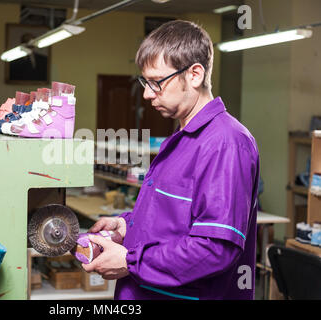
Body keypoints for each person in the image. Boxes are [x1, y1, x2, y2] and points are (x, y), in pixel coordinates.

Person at [82, 20, 260, 300]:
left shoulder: (226, 143)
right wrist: (129, 226)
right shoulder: (180, 137)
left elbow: (215, 250)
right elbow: (174, 219)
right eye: (145, 82)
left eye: (156, 82)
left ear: (195, 75)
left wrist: (131, 261)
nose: (146, 94)